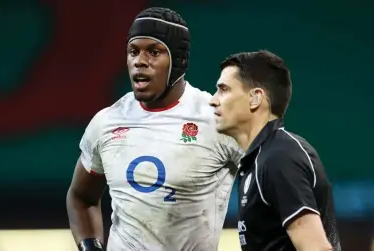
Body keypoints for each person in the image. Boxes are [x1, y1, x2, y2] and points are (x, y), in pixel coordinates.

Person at [66, 7, 242, 251]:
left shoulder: (216, 118)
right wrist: (90, 246)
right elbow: (81, 197)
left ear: (179, 61)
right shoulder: (106, 122)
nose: (140, 61)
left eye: (154, 52)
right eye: (133, 51)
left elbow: (272, 183)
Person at [209, 50, 341, 251]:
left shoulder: (280, 156)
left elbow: (316, 248)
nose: (213, 100)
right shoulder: (259, 160)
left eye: (224, 89)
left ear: (255, 98)